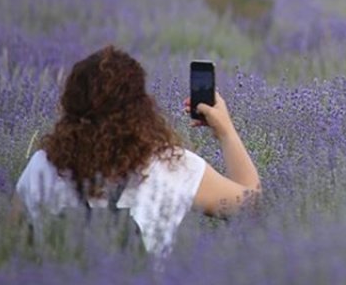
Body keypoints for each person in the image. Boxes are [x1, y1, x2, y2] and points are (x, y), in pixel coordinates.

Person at [14, 46, 261, 255]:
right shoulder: (173, 166)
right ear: (141, 107)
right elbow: (249, 203)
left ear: (71, 105)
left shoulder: (42, 166)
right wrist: (225, 131)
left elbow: (4, 250)